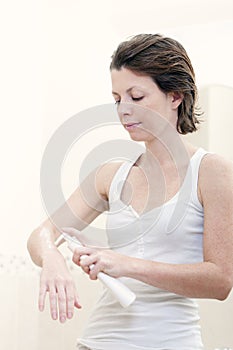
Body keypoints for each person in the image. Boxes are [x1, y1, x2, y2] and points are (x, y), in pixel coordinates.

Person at [27, 34, 233, 350]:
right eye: (117, 99)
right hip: (98, 341)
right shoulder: (111, 176)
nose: (123, 110)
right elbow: (41, 235)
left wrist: (124, 264)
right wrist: (51, 257)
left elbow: (220, 281)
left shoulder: (211, 172)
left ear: (175, 96)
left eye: (136, 97)